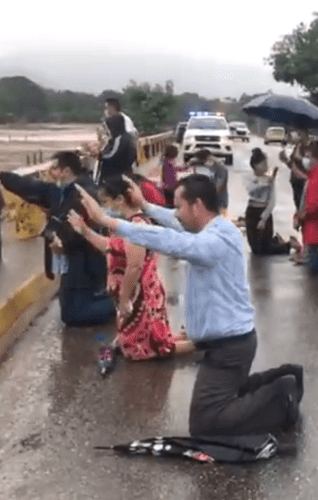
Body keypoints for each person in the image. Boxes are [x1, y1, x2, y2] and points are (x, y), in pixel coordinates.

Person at [75, 174, 304, 435]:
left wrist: (109, 222)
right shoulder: (214, 229)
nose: (177, 214)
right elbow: (176, 224)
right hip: (225, 344)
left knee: (206, 424)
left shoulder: (214, 240)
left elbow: (173, 240)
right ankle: (284, 378)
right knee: (222, 402)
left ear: (197, 206)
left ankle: (281, 397)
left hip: (230, 348)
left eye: (180, 206)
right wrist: (147, 206)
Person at [66, 178, 194, 360]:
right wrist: (85, 231)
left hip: (140, 296)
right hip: (134, 294)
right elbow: (109, 246)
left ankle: (204, 344)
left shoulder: (136, 225)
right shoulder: (126, 225)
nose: (104, 207)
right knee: (140, 344)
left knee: (150, 349)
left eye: (106, 202)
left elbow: (134, 267)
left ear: (119, 200)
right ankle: (191, 337)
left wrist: (125, 300)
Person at [0, 152, 114, 326]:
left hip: (85, 262)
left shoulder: (86, 195)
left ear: (66, 171)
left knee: (73, 316)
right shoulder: (57, 190)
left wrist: (60, 240)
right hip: (68, 260)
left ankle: (121, 303)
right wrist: (2, 176)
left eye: (54, 168)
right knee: (69, 310)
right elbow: (28, 185)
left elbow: (83, 233)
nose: (50, 172)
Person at [246, 148, 302, 256]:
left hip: (264, 213)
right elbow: (251, 190)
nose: (265, 166)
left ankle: (289, 244)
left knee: (264, 250)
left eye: (266, 163)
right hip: (252, 213)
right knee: (256, 250)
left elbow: (272, 201)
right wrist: (265, 183)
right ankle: (276, 240)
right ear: (255, 165)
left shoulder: (270, 180)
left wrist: (263, 218)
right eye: (262, 164)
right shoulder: (249, 177)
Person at [295, 144, 318, 272]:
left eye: (308, 157)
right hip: (312, 232)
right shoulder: (314, 175)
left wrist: (300, 217)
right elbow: (305, 201)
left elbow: (314, 205)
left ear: (316, 158)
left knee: (314, 274)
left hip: (315, 233)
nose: (306, 160)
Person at [97, 114, 136, 184]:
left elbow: (113, 155)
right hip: (126, 170)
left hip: (118, 173)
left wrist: (101, 155)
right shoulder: (127, 136)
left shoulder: (120, 138)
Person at [188, 149, 229, 216]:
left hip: (220, 202)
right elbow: (192, 162)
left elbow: (219, 185)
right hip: (212, 203)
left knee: (220, 219)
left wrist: (208, 194)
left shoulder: (221, 169)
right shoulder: (211, 167)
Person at [279, 129, 310, 210]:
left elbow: (312, 166)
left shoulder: (311, 148)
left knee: (303, 207)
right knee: (298, 204)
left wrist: (300, 159)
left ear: (305, 134)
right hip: (295, 181)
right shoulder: (298, 146)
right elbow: (292, 165)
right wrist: (286, 160)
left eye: (299, 133)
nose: (296, 135)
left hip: (305, 182)